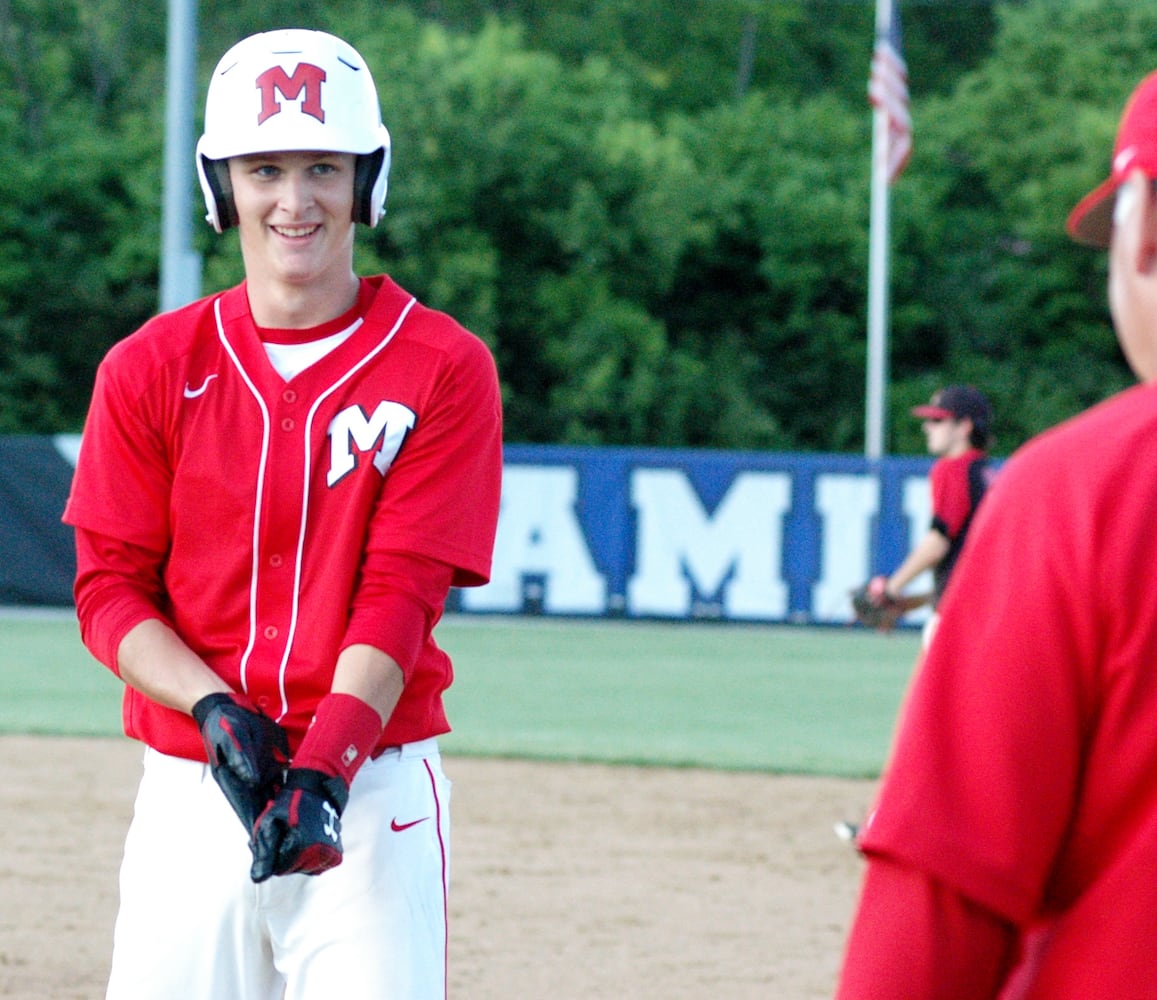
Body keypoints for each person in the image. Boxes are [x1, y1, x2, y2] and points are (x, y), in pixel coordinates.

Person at [62, 28, 502, 999]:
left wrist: (328, 764)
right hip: (191, 788)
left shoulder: (441, 365)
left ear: (365, 181)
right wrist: (214, 709)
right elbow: (107, 591)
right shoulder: (147, 367)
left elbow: (404, 589)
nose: (294, 201)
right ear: (222, 186)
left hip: (371, 783)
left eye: (322, 167)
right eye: (263, 169)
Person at [835, 68, 1157, 998]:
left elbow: (938, 907)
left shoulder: (1076, 489)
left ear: (1143, 239)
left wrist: (895, 587)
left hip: (1016, 637)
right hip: (1011, 618)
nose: (931, 429)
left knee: (971, 799)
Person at [863, 384, 995, 645]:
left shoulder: (953, 469)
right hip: (990, 612)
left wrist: (890, 588)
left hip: (960, 619)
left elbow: (938, 542)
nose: (927, 427)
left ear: (964, 426)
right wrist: (916, 601)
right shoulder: (988, 474)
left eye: (937, 420)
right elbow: (970, 568)